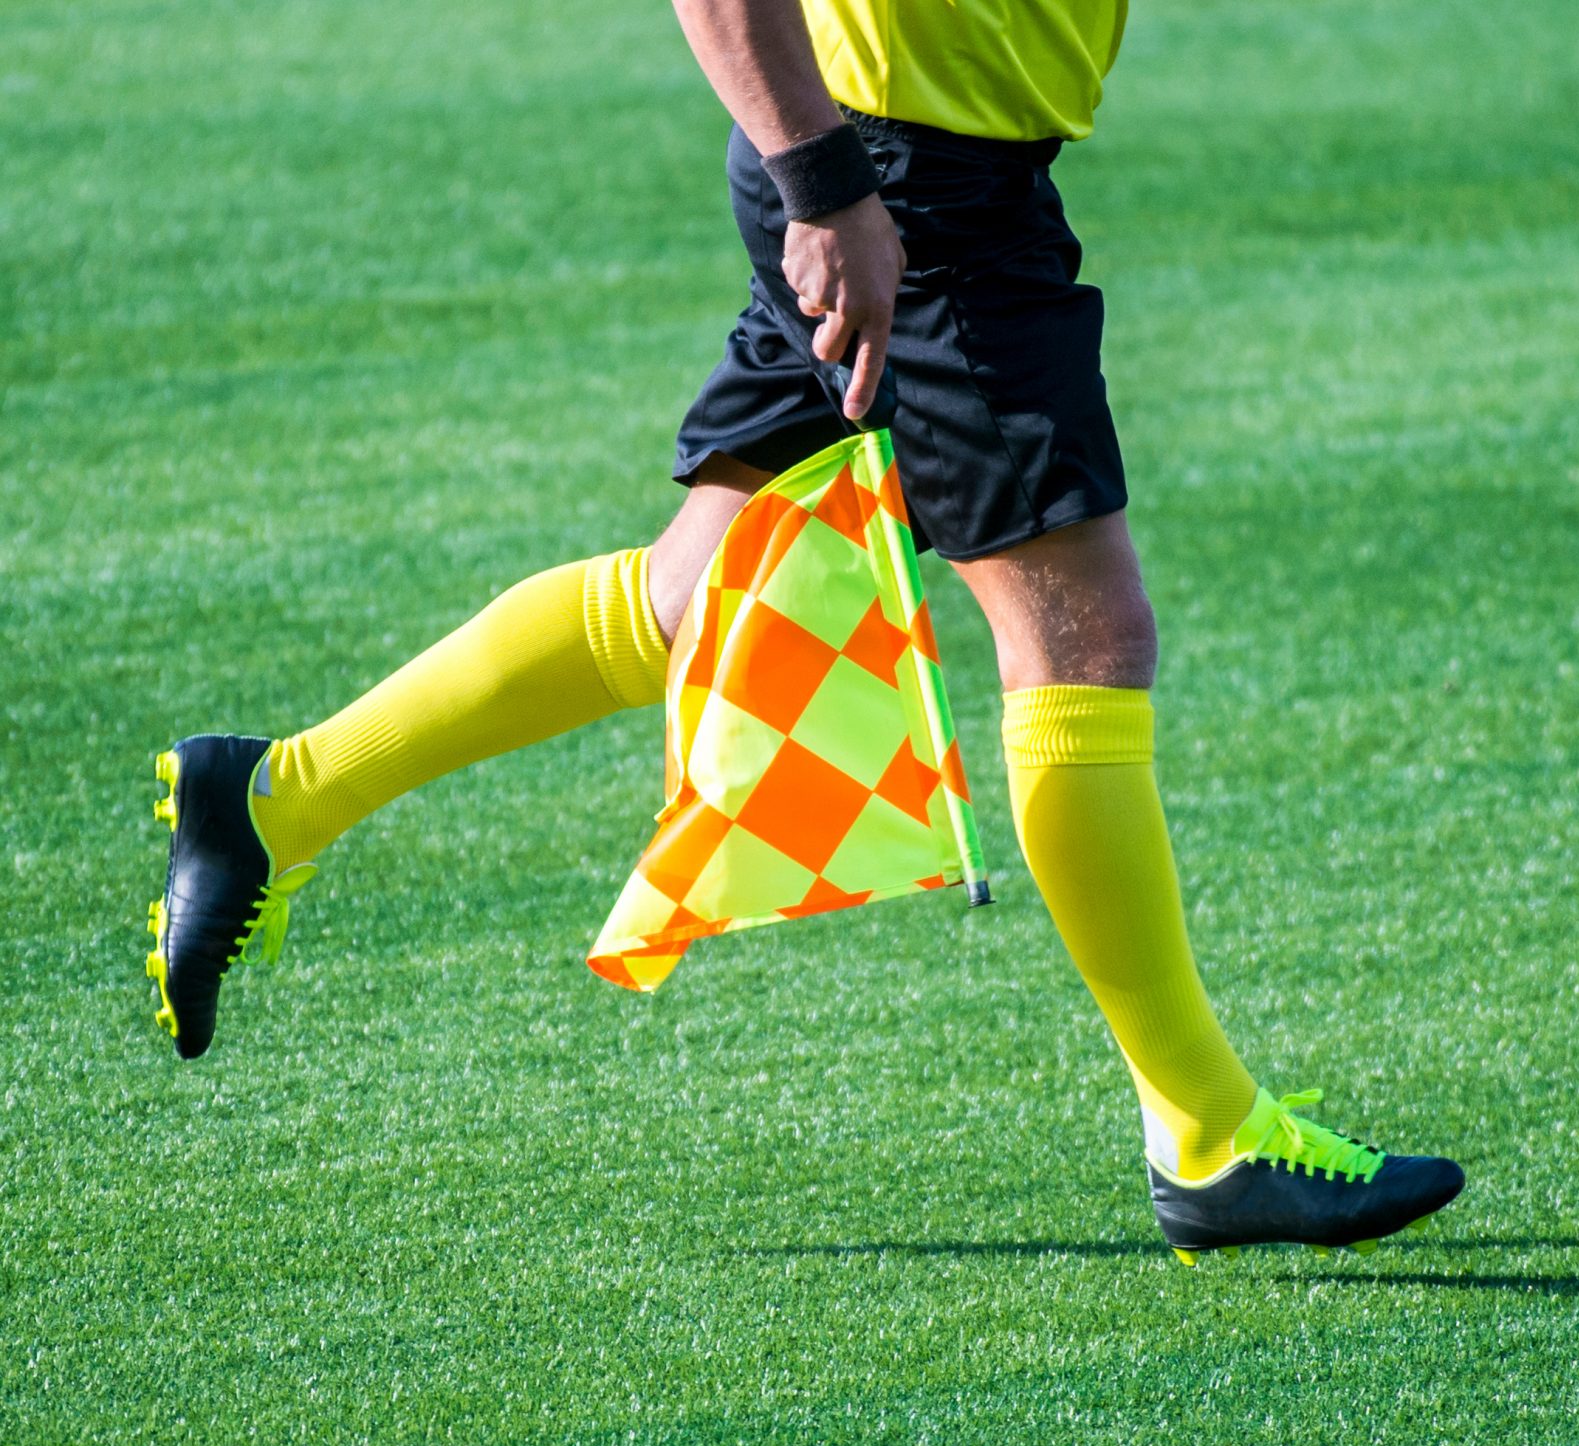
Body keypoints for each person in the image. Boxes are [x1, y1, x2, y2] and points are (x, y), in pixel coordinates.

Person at [144, 0, 1462, 1262]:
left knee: (689, 594)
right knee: (1084, 640)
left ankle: (272, 797)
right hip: (900, 187)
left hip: (907, 171)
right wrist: (829, 193)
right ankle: (1209, 1132)